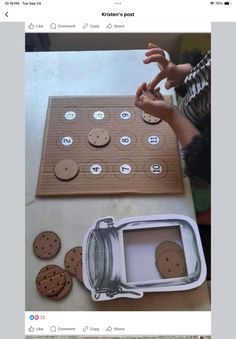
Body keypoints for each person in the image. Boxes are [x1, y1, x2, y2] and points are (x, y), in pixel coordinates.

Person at [135, 43, 211, 225]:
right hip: (183, 132)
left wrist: (171, 115)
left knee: (184, 202)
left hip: (201, 182)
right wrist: (180, 71)